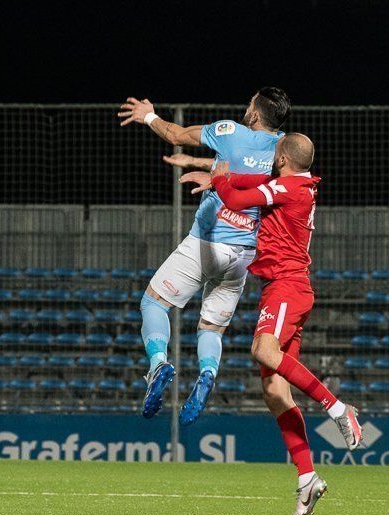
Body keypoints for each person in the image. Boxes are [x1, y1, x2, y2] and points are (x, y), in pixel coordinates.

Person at [180, 133, 363, 515]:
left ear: (280, 156)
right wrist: (217, 173)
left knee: (263, 351)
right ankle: (307, 477)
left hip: (288, 286)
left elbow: (238, 198)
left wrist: (222, 181)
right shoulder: (294, 184)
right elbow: (248, 184)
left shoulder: (290, 188)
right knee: (275, 390)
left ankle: (337, 408)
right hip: (281, 289)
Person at [118, 88, 291, 424]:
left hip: (207, 243)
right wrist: (209, 168)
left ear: (255, 113)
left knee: (153, 303)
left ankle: (158, 366)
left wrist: (149, 115)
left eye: (249, 101)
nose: (246, 105)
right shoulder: (285, 149)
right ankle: (208, 374)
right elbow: (259, 176)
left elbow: (176, 134)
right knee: (211, 327)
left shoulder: (230, 132)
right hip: (243, 254)